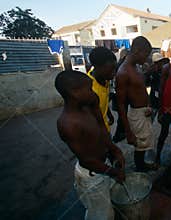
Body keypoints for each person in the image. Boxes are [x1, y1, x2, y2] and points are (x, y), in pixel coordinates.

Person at [55, 70, 125, 220]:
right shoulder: (68, 124)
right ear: (74, 92)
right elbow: (87, 160)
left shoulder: (89, 102)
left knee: (108, 206)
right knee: (101, 214)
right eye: (88, 88)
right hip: (92, 174)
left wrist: (114, 149)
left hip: (104, 165)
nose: (93, 92)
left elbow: (101, 127)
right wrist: (113, 172)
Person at [116, 36, 158, 172]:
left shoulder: (137, 68)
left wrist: (149, 105)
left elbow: (142, 91)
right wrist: (127, 131)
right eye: (146, 54)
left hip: (144, 112)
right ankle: (140, 168)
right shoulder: (123, 72)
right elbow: (120, 104)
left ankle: (142, 165)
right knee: (139, 144)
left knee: (144, 144)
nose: (147, 58)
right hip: (136, 114)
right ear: (138, 51)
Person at [87, 47, 117, 133]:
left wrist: (110, 116)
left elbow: (103, 102)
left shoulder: (104, 80)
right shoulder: (89, 89)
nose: (114, 73)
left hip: (106, 129)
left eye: (115, 69)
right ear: (98, 67)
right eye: (111, 69)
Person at [145, 52, 170, 122]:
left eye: (161, 62)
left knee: (164, 121)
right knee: (150, 120)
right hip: (154, 100)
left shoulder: (165, 71)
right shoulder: (152, 72)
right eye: (157, 62)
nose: (160, 64)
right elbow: (146, 83)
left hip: (163, 99)